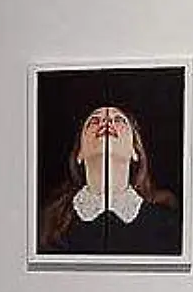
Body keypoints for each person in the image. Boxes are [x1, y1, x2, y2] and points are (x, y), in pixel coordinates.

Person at [40, 105, 182, 256]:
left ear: (135, 152)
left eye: (119, 120)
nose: (106, 122)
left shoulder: (168, 224)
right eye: (94, 121)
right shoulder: (45, 224)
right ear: (79, 154)